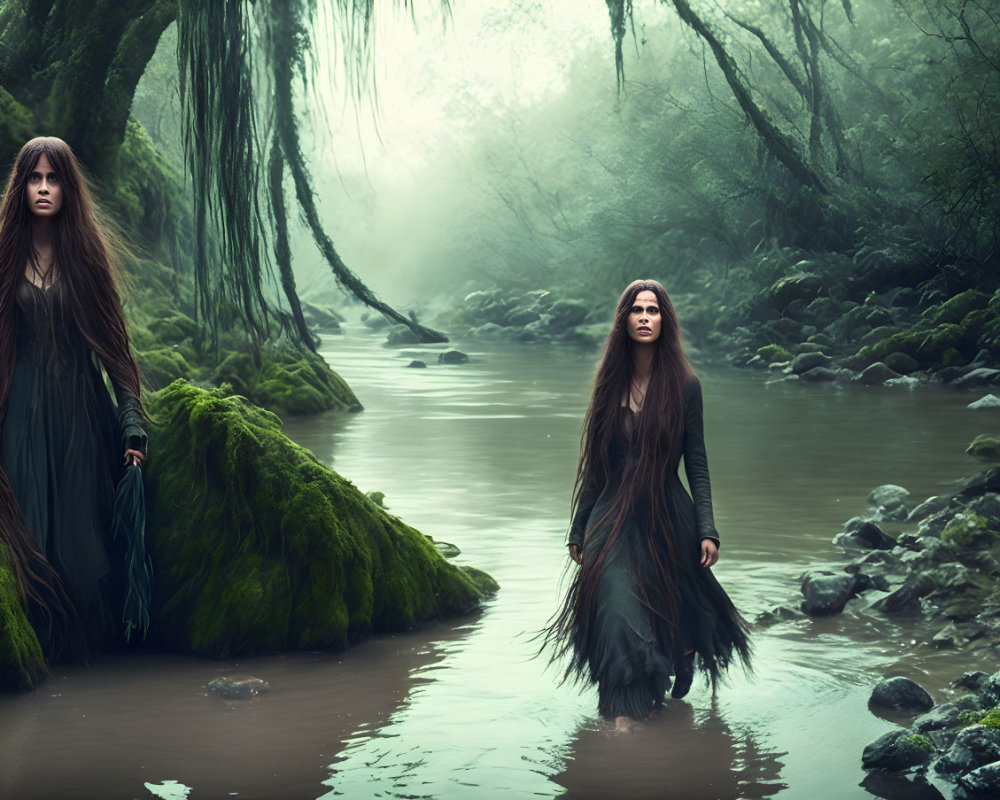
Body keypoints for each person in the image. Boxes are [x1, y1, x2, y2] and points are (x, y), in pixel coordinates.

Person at [546, 279, 750, 731]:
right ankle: (625, 712)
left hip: (666, 516)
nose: (644, 316)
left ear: (664, 321)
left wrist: (707, 528)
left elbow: (696, 463)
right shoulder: (608, 385)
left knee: (662, 608)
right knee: (617, 608)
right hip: (611, 519)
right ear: (624, 321)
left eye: (652, 310)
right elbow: (596, 468)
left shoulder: (685, 387)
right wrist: (578, 528)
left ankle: (673, 663)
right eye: (636, 309)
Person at [0, 136, 147, 662]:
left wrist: (132, 429)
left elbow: (117, 352)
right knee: (29, 536)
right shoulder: (5, 253)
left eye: (53, 178)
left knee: (85, 547)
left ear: (67, 187)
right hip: (19, 416)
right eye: (34, 179)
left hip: (82, 417)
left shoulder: (86, 257)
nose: (43, 188)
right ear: (21, 187)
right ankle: (36, 657)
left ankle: (90, 668)